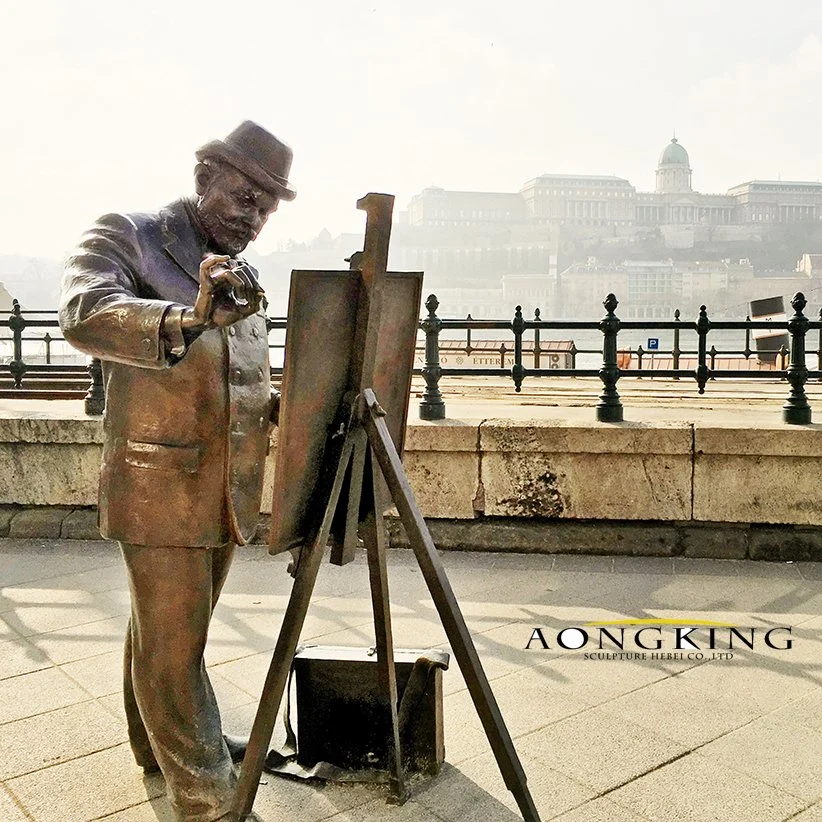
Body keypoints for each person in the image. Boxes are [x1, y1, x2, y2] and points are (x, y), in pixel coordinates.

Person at [59, 121, 296, 822]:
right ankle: (206, 795)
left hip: (226, 486)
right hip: (158, 478)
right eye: (243, 194)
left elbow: (244, 383)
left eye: (266, 204)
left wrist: (300, 404)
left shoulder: (241, 272)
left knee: (168, 633)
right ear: (204, 178)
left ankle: (152, 743)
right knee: (173, 642)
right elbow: (85, 311)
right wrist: (183, 317)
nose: (252, 214)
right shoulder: (130, 234)